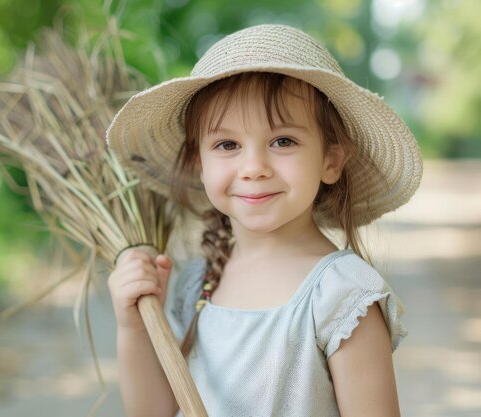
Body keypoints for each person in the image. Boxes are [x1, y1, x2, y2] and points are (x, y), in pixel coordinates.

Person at [106, 24, 422, 417]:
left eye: (283, 141)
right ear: (198, 163)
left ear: (331, 160)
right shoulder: (198, 283)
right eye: (227, 145)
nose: (253, 167)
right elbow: (153, 410)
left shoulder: (341, 297)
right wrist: (133, 326)